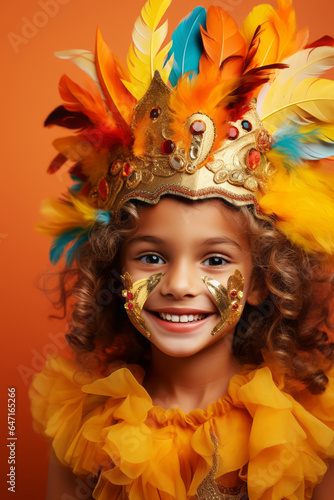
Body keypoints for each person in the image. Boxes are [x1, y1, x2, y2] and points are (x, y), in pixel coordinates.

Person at [29, 0, 334, 498]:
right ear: (115, 270)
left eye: (215, 259)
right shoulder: (83, 427)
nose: (178, 285)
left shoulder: (308, 426)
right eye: (151, 256)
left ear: (260, 280)